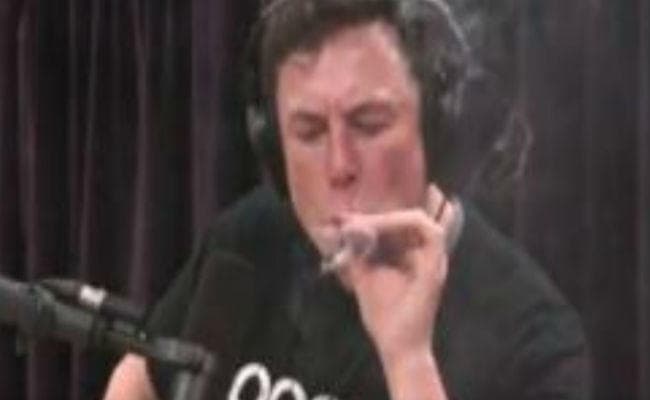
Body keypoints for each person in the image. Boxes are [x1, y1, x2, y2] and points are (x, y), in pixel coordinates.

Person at [103, 0, 591, 399]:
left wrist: (408, 358)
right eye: (309, 132)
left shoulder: (534, 339)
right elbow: (139, 377)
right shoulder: (249, 240)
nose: (339, 165)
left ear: (435, 131)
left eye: (369, 125)